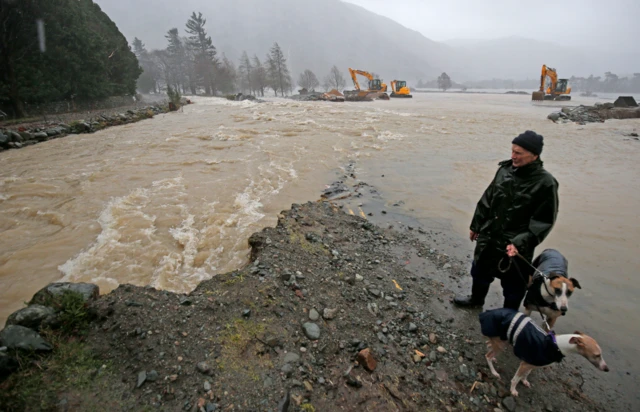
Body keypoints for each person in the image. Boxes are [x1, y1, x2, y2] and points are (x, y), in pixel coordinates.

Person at [454, 131, 559, 310]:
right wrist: (476, 225)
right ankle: (476, 300)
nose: (513, 156)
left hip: (515, 245)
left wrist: (520, 242)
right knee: (479, 271)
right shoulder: (504, 170)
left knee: (514, 286)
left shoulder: (546, 183)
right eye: (512, 151)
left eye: (518, 153)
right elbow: (488, 198)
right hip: (490, 235)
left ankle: (509, 316)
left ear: (534, 155)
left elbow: (543, 221)